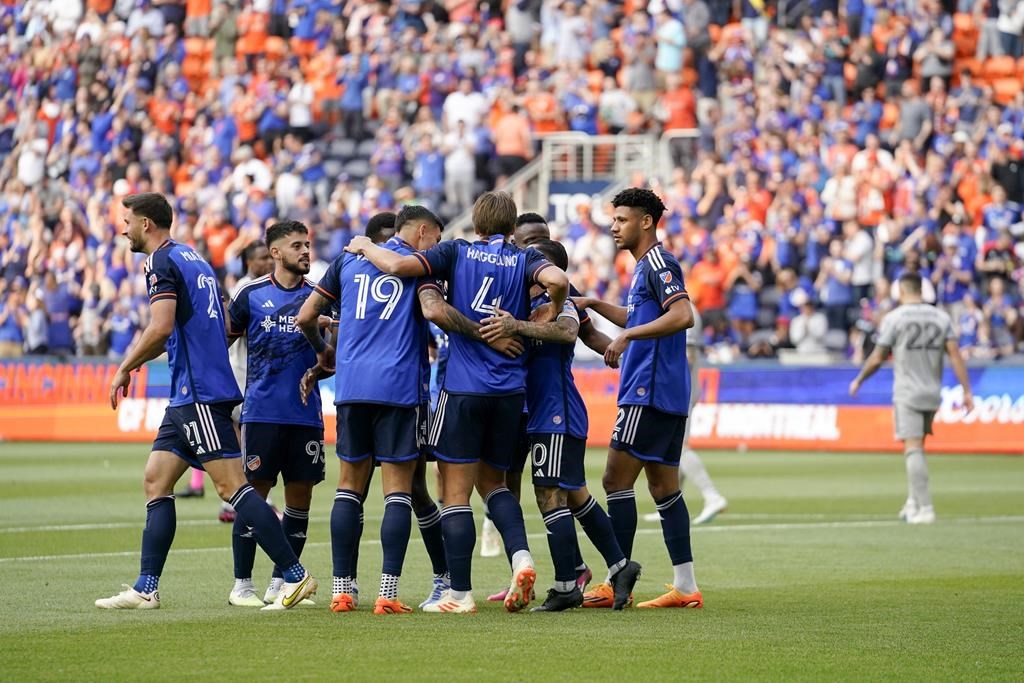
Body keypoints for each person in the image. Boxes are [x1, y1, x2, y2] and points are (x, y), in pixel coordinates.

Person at [344, 191, 570, 614]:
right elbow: (558, 282)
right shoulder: (523, 259)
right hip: (509, 393)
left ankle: (459, 593)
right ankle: (520, 557)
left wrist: (364, 244)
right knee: (495, 484)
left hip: (463, 387)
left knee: (454, 493)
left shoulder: (455, 251)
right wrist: (538, 318)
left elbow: (398, 267)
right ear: (510, 225)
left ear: (477, 222)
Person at [97, 193, 316, 611]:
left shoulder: (159, 261)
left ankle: (295, 574)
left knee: (231, 486)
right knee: (156, 480)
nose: (122, 228)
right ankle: (146, 588)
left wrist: (125, 366)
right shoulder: (193, 258)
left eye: (127, 221)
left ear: (146, 224)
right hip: (190, 392)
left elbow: (161, 327)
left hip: (198, 392)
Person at [298, 205, 489, 614]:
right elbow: (434, 311)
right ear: (423, 231)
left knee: (348, 486)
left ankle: (342, 591)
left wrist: (325, 353)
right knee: (399, 492)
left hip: (351, 388)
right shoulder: (419, 269)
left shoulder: (347, 260)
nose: (435, 247)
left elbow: (306, 315)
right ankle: (387, 593)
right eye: (435, 238)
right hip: (399, 390)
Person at [480, 238, 642, 612]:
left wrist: (517, 326)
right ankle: (621, 565)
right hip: (546, 411)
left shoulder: (559, 304)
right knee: (574, 496)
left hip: (557, 411)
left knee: (549, 495)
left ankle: (567, 584)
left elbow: (570, 332)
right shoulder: (527, 303)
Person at [573, 187, 702, 609]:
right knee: (665, 488)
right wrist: (596, 304)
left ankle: (616, 578)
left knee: (614, 480)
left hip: (646, 392)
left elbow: (683, 315)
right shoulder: (644, 267)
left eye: (622, 219)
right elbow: (641, 317)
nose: (613, 226)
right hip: (666, 393)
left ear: (646, 221)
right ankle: (685, 586)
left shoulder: (660, 262)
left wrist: (627, 335)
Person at [222, 222, 324, 608]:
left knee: (300, 504)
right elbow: (223, 343)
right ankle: (242, 585)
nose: (305, 251)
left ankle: (283, 583)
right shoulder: (250, 294)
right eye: (296, 245)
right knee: (253, 498)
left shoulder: (319, 297)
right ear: (276, 252)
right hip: (262, 414)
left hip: (305, 416)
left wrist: (321, 367)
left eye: (308, 245)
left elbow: (329, 356)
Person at [849, 273, 975, 525]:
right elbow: (955, 355)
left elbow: (877, 357)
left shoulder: (894, 318)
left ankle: (926, 508)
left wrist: (860, 379)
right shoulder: (941, 316)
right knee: (917, 446)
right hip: (932, 391)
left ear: (902, 291)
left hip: (907, 391)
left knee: (913, 448)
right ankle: (912, 502)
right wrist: (966, 390)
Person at [176, 240, 272, 510]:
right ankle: (247, 500)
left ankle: (230, 496)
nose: (267, 263)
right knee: (246, 438)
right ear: (248, 263)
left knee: (237, 438)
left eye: (268, 257)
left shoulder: (267, 287)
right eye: (261, 258)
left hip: (253, 375)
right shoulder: (244, 289)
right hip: (242, 374)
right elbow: (231, 329)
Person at [643, 302, 728, 526]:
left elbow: (689, 354)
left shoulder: (682, 307)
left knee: (680, 447)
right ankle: (668, 505)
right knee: (672, 448)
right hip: (680, 387)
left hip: (682, 388)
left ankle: (712, 495)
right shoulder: (674, 305)